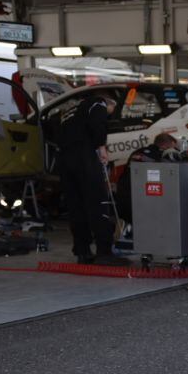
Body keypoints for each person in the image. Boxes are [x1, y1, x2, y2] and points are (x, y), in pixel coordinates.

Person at [58, 92, 125, 265]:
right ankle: (104, 252)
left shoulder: (71, 110)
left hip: (65, 159)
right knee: (98, 202)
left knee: (76, 206)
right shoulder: (98, 103)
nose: (109, 114)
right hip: (84, 158)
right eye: (111, 111)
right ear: (109, 103)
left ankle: (82, 251)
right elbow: (98, 123)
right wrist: (101, 147)